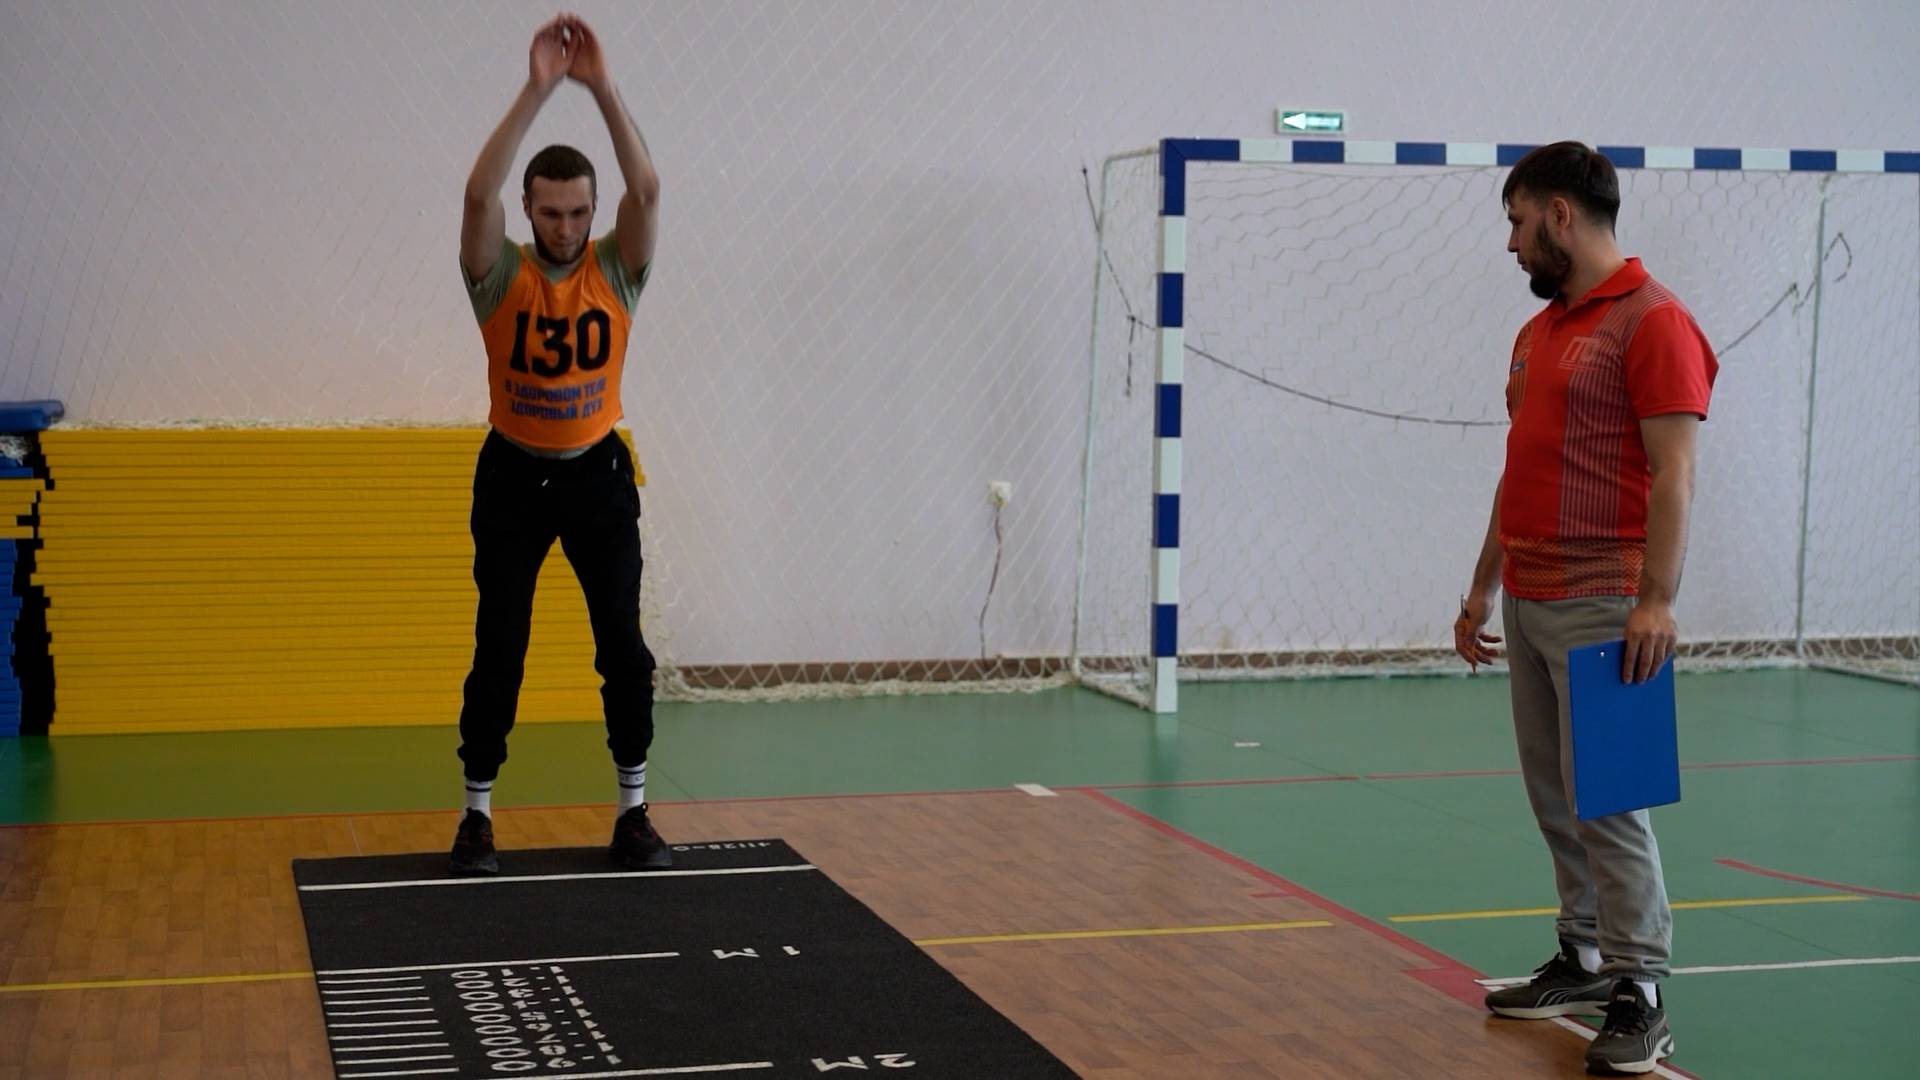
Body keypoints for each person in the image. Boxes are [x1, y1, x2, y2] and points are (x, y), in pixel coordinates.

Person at [1454, 141, 1717, 1074]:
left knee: (1612, 805)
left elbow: (1676, 472)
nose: (1512, 244)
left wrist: (1658, 600)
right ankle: (1585, 955)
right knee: (1556, 799)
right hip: (1530, 596)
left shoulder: (1655, 322)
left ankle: (1642, 989)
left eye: (1519, 222)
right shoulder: (1539, 333)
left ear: (1562, 214)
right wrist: (1483, 584)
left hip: (1609, 603)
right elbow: (1519, 466)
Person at [449, 13, 666, 876]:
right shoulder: (500, 273)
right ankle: (476, 816)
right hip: (512, 475)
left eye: (579, 212)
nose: (567, 227)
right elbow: (477, 196)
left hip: (597, 477)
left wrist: (601, 86)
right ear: (530, 210)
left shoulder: (617, 269)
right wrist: (538, 89)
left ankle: (634, 811)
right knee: (500, 645)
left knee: (623, 648)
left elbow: (647, 191)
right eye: (551, 212)